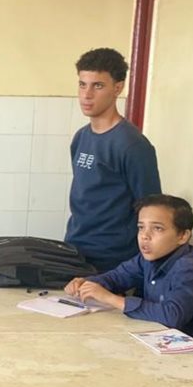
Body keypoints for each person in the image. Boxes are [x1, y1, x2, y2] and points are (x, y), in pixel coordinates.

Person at [65, 193, 193, 352]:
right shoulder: (148, 258)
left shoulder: (189, 267)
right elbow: (117, 277)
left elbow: (172, 316)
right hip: (157, 344)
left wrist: (110, 298)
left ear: (182, 236)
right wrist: (87, 283)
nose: (145, 236)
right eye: (141, 227)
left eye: (157, 228)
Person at [63, 48, 160, 273]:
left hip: (113, 260)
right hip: (75, 251)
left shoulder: (132, 144)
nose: (87, 95)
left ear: (118, 88)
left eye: (98, 86)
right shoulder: (81, 137)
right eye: (82, 84)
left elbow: (151, 207)